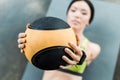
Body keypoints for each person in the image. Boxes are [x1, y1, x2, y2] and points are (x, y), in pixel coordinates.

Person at [18, 0, 101, 80]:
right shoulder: (47, 37)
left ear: (89, 21)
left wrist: (80, 58)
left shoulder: (93, 48)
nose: (77, 15)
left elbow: (84, 56)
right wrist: (29, 41)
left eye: (84, 13)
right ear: (67, 14)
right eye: (73, 10)